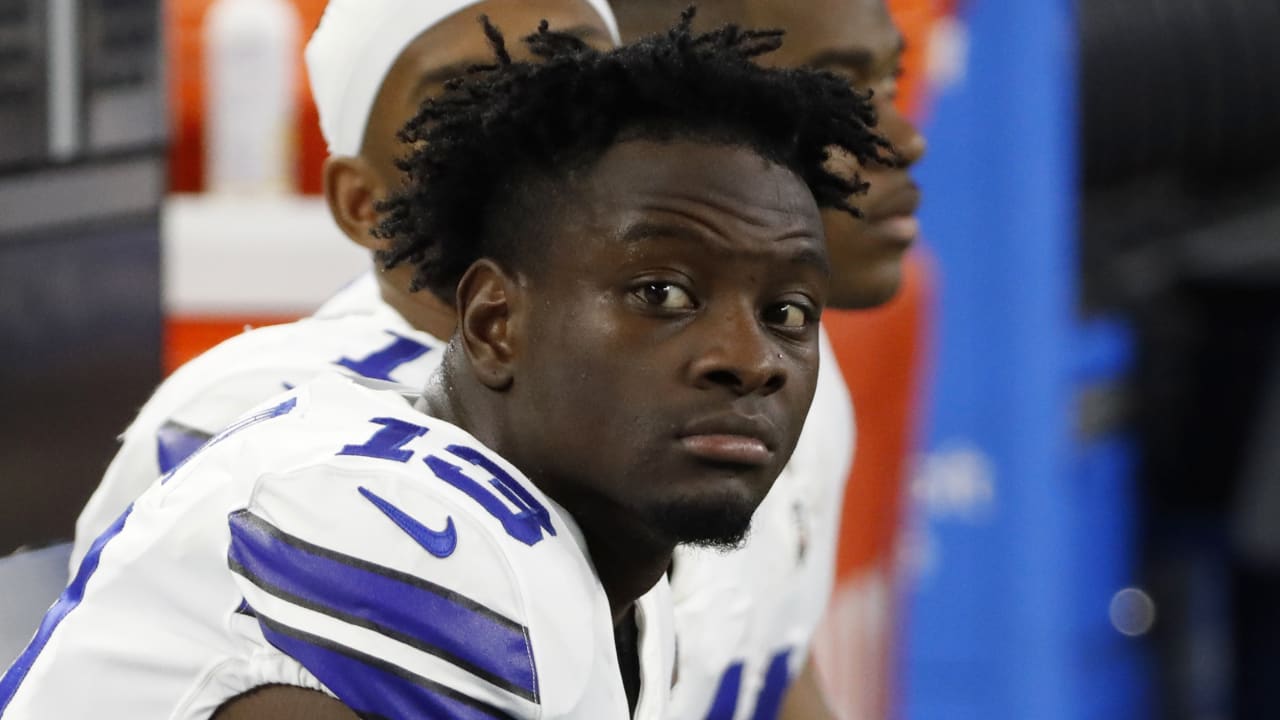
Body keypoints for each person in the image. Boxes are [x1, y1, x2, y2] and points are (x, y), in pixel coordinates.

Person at [4, 12, 889, 720]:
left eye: (786, 313)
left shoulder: (607, 554)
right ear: (495, 321)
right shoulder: (399, 521)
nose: (749, 360)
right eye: (659, 292)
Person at [68, 0, 621, 569]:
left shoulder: (676, 370)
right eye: (465, 102)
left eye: (574, 77)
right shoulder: (248, 425)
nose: (537, 132)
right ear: (362, 202)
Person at [610, 1, 928, 718]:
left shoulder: (798, 365)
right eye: (837, 96)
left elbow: (769, 665)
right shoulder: (544, 427)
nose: (904, 139)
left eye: (886, 87)